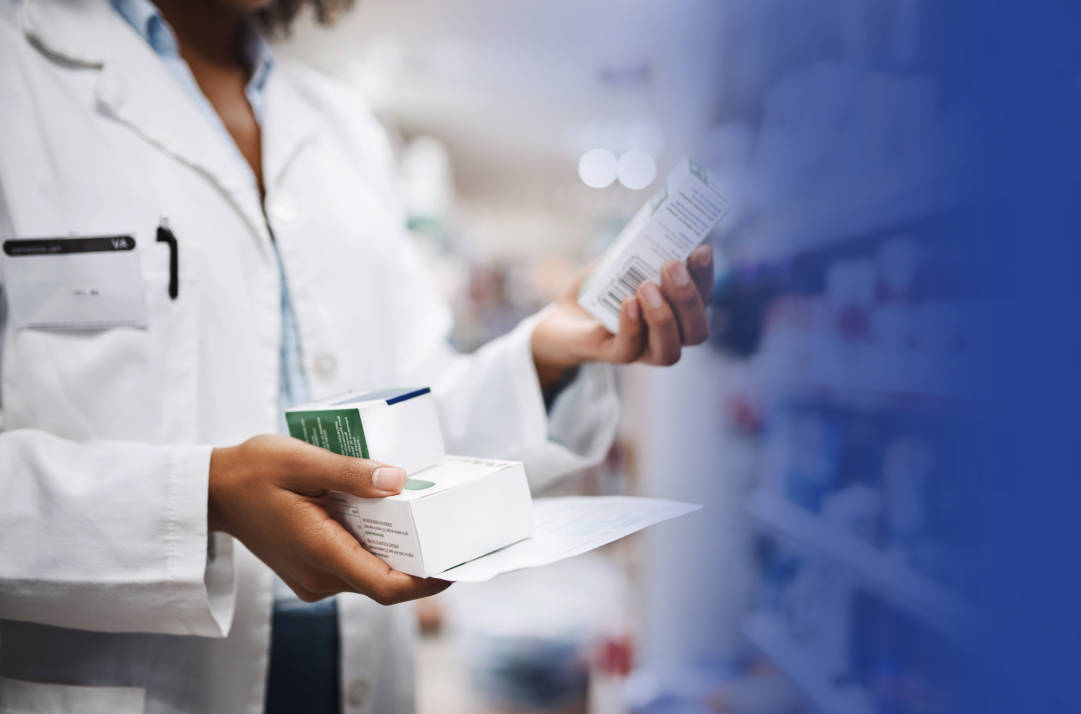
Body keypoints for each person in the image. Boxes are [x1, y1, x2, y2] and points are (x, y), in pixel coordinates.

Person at [0, 0, 716, 711]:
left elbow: (413, 416)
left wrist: (543, 360)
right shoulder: (19, 75)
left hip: (357, 668)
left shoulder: (344, 129)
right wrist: (202, 498)